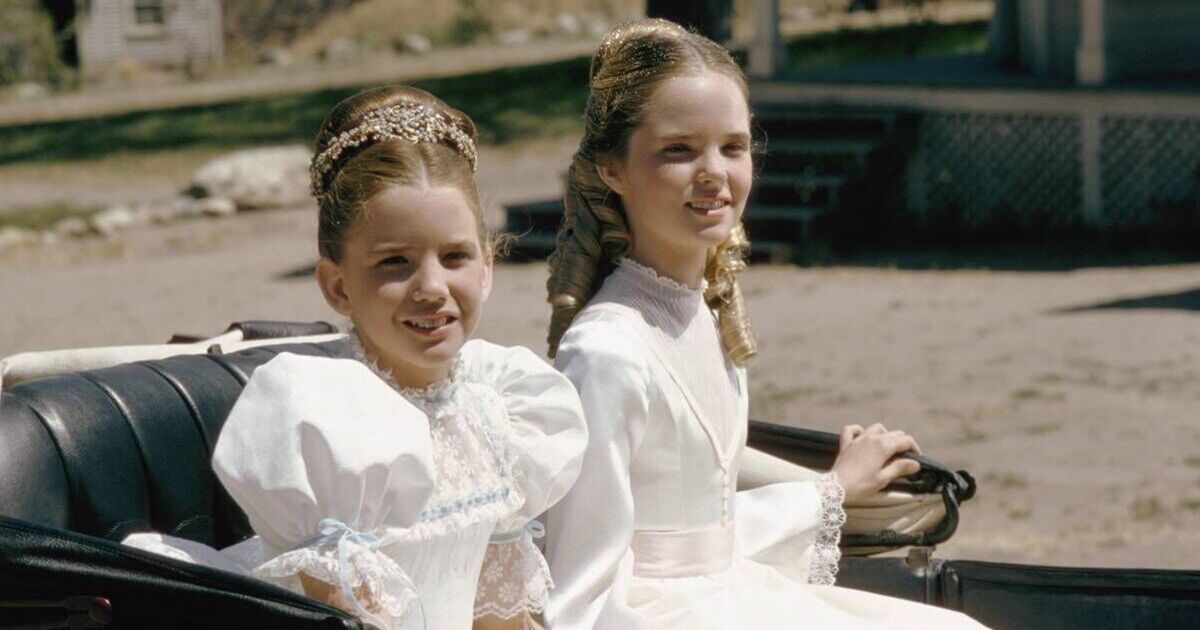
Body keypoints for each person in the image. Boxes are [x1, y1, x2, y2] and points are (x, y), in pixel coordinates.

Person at [541, 19, 987, 630]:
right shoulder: (606, 352)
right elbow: (582, 590)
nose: (713, 172)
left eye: (733, 147)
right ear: (612, 169)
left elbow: (704, 532)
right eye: (678, 150)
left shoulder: (698, 313)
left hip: (727, 592)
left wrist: (830, 488)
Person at [126, 85, 588, 630]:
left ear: (487, 268)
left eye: (455, 257)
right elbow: (349, 617)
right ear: (338, 285)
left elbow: (498, 616)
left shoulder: (499, 411)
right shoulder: (330, 423)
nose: (432, 287)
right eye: (395, 262)